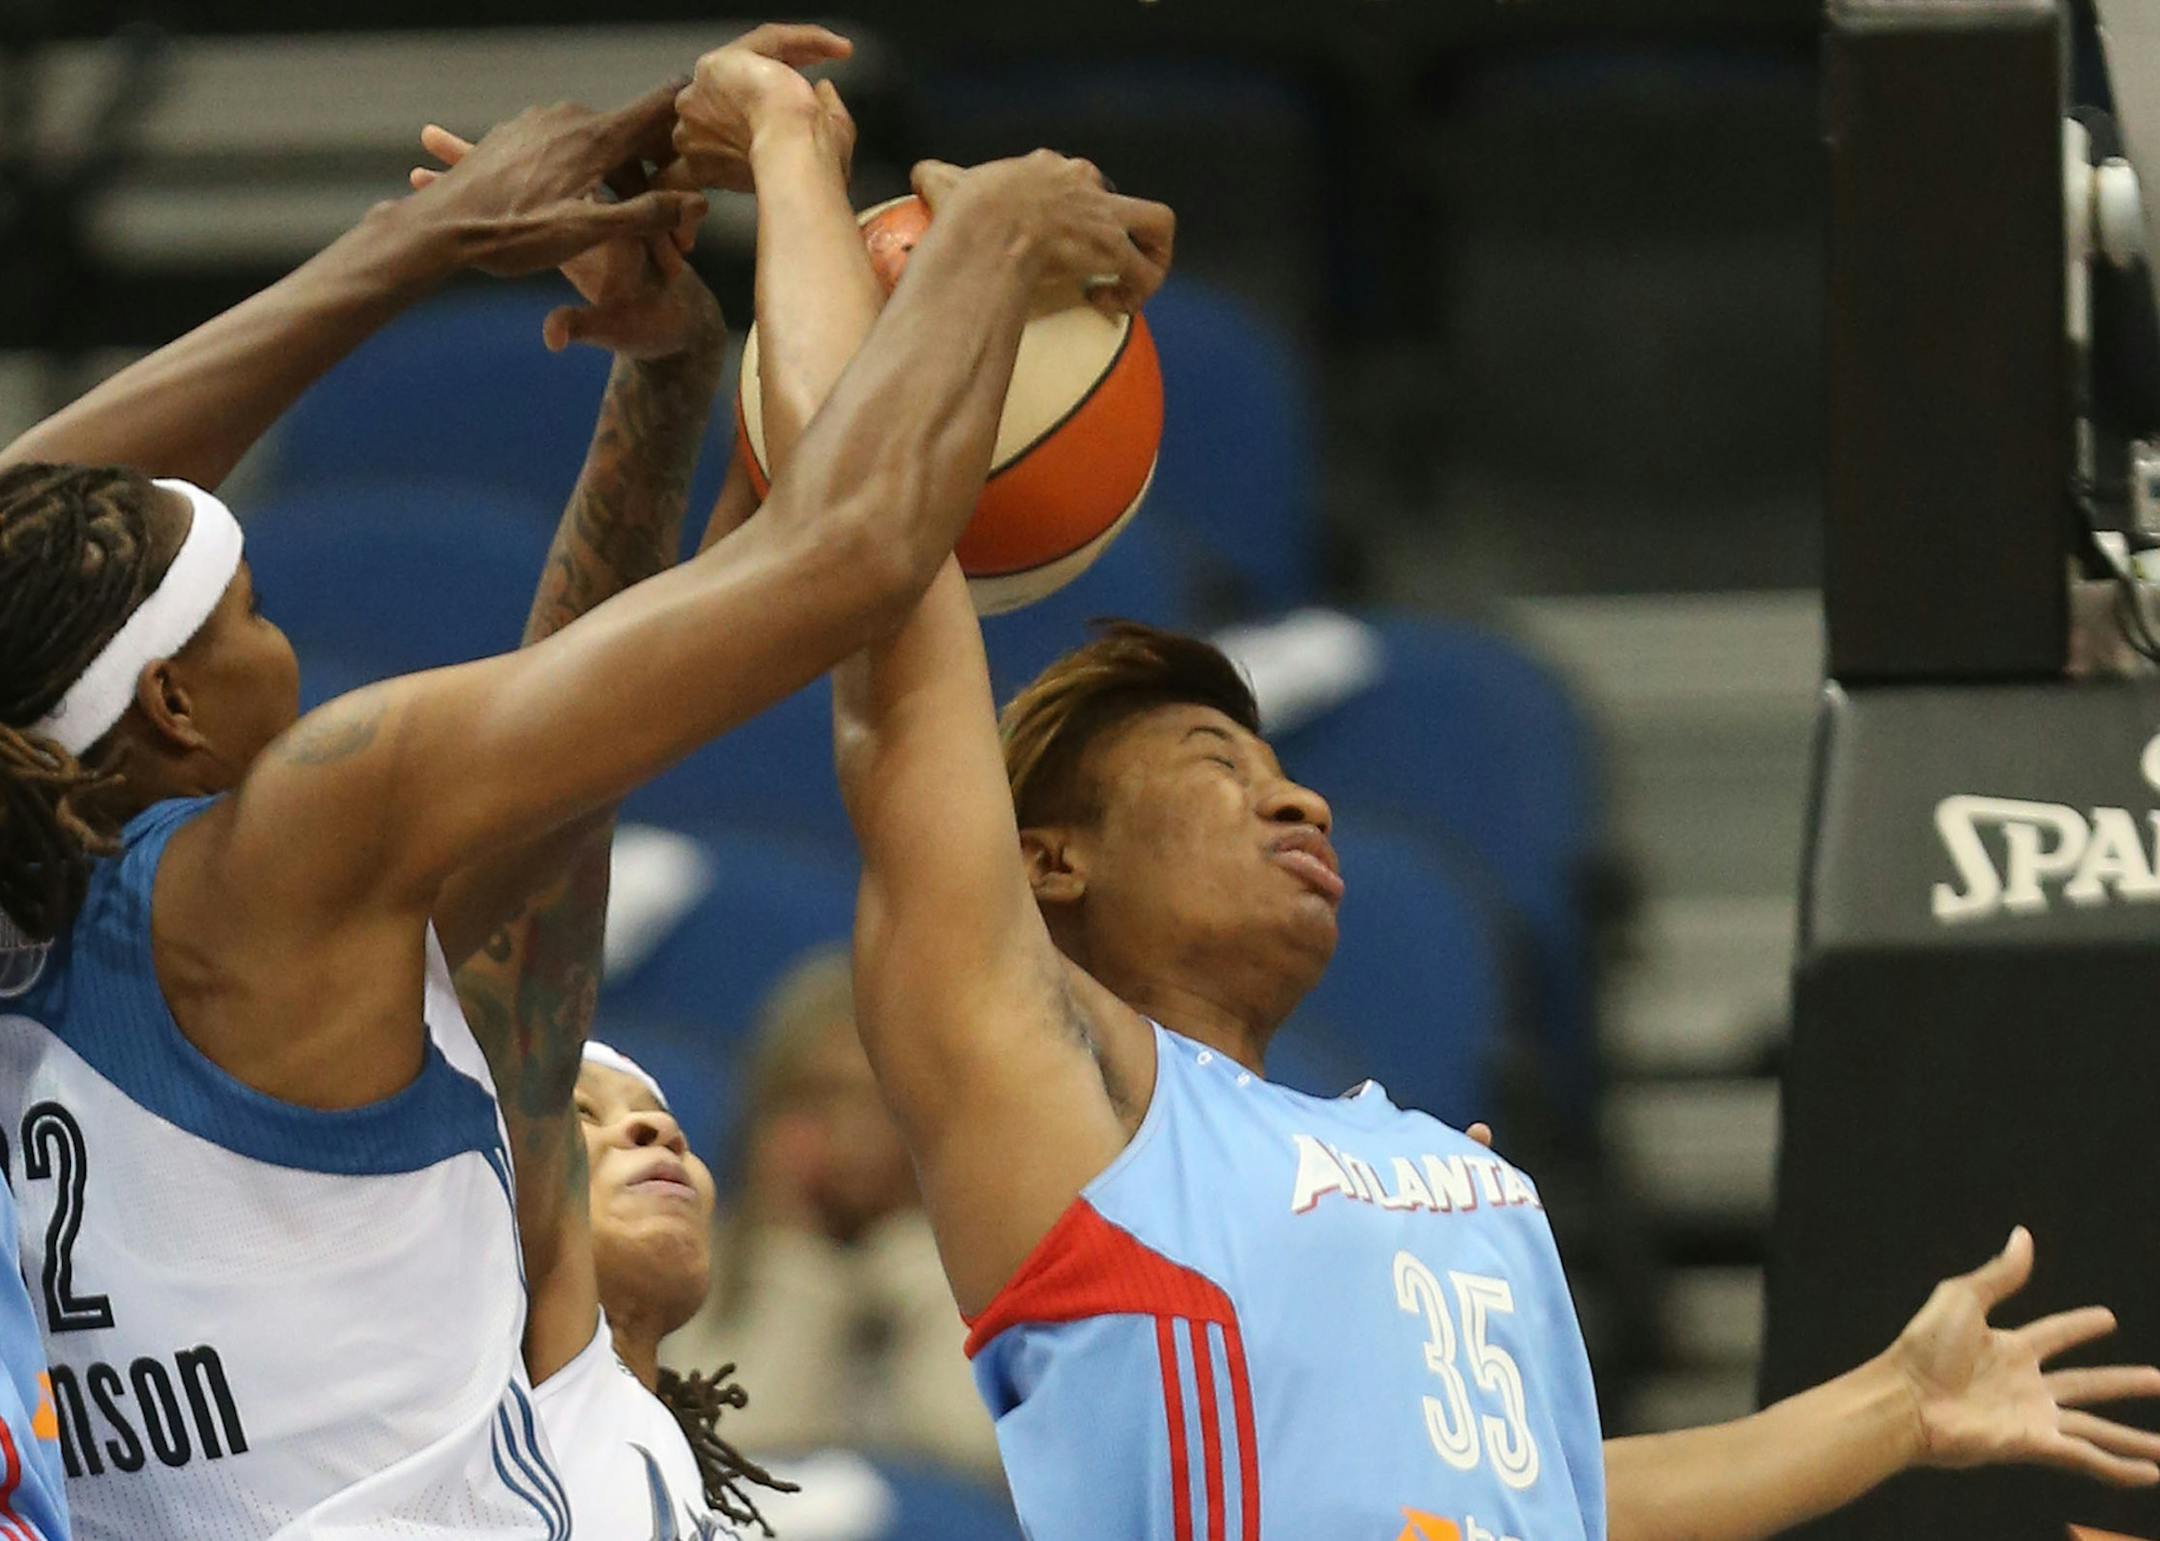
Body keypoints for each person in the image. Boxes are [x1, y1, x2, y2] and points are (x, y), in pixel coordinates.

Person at [762, 145, 2160, 1538]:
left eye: (1289, 773)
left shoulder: (1457, 1169)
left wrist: (1895, 1406)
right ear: (1053, 860)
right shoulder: (1066, 1102)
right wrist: (815, 183)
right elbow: (882, 616)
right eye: (1214, 762)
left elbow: (1564, 1500)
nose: (1300, 801)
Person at [0, 57, 1166, 1537]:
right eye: (251, 612)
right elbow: (857, 548)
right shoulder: (287, 847)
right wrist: (945, 222)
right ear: (167, 702)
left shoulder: (53, 935)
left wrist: (506, 289)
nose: (283, 640)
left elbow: (571, 770)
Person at [415, 29, 1175, 1538]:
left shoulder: (679, 1489)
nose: (650, 1125)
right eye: (583, 1103)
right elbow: (563, 778)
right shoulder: (442, 1374)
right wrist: (803, 161)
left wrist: (684, 365)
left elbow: (615, 722)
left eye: (648, 1107)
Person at [663, 946, 1002, 1484]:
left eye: (886, 1103)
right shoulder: (687, 1274)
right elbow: (733, 1466)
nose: (855, 1140)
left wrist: (928, 1266)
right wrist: (797, 1260)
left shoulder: (1014, 1283)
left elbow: (969, 1468)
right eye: (821, 1101)